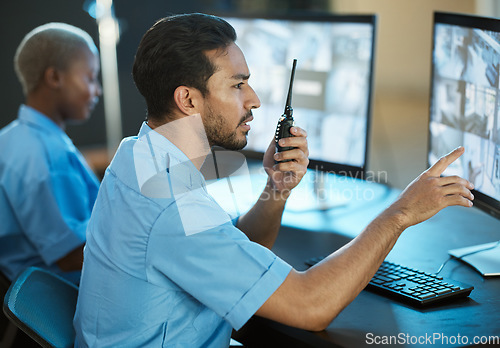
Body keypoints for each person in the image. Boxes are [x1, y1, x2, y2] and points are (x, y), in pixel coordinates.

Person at [73, 13, 474, 347]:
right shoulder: (173, 205)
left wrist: (276, 188)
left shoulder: (138, 154)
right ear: (188, 99)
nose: (255, 100)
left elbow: (235, 255)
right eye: (237, 84)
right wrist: (400, 213)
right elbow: (311, 307)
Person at [0, 23, 102, 284]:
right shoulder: (45, 155)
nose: (97, 91)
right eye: (90, 78)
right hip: (58, 295)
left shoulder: (13, 138)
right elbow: (71, 254)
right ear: (54, 78)